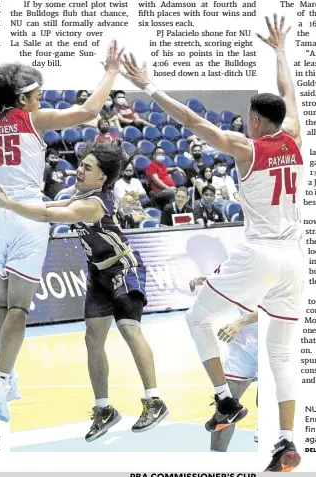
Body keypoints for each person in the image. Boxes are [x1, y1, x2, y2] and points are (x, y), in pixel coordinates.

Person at [123, 14, 303, 471]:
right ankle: (285, 440)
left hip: (260, 252)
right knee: (282, 354)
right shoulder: (297, 134)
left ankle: (224, 401)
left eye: (250, 117)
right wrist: (280, 50)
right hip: (296, 260)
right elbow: (290, 93)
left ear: (256, 120)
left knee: (197, 318)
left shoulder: (248, 148)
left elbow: (191, 120)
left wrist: (149, 88)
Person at [0, 40, 124, 423]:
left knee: (1, 304)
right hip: (26, 214)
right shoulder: (33, 120)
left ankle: (9, 375)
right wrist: (111, 72)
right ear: (22, 98)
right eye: (38, 94)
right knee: (17, 306)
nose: (42, 98)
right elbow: (89, 110)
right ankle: (2, 379)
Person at [0, 141, 169, 440]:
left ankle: (154, 401)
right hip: (98, 273)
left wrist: (9, 205)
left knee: (129, 328)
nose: (79, 169)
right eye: (80, 164)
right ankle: (104, 409)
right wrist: (10, 204)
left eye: (87, 167)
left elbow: (48, 216)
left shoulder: (93, 204)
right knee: (93, 340)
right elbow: (51, 206)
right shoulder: (80, 195)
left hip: (123, 267)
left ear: (102, 177)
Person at [190, 276, 258, 452]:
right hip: (244, 339)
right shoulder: (246, 256)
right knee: (226, 407)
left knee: (266, 401)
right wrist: (205, 279)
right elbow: (229, 274)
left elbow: (278, 308)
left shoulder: (283, 262)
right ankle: (216, 459)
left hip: (274, 338)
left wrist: (239, 322)